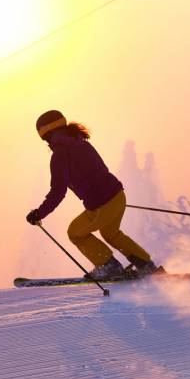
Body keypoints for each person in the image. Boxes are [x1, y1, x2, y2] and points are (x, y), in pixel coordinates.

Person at [26, 110, 159, 279]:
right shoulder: (80, 142)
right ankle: (146, 266)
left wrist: (39, 213)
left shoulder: (60, 155)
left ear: (46, 134)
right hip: (117, 196)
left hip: (101, 205)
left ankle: (109, 267)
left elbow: (58, 191)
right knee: (111, 234)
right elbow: (100, 169)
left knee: (75, 232)